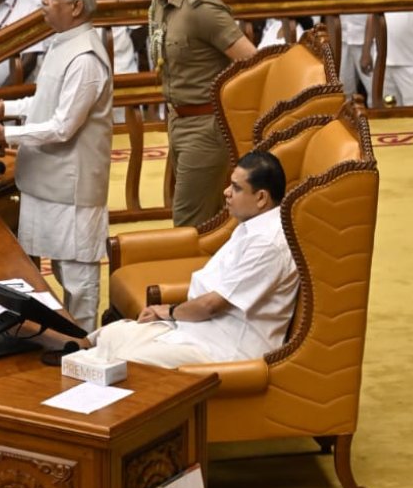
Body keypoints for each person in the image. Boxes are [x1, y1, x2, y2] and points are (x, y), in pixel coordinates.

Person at [0, 0, 113, 329]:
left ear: (75, 6)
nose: (43, 3)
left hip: (72, 191)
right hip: (47, 182)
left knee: (77, 280)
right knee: (51, 270)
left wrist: (6, 134)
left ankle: (84, 345)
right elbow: (46, 102)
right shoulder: (63, 41)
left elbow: (63, 125)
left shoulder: (86, 59)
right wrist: (4, 109)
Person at [64, 151, 298, 365]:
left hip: (226, 348)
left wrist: (169, 311)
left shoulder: (267, 244)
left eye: (236, 188)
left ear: (261, 198)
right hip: (201, 329)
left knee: (121, 363)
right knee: (111, 334)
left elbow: (211, 305)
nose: (226, 192)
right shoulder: (253, 224)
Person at [142, 0, 256, 227]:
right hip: (178, 119)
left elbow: (253, 64)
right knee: (209, 216)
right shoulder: (159, 2)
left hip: (206, 127)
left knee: (188, 221)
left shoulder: (202, 9)